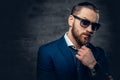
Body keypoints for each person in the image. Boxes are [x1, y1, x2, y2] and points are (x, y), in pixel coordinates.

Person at [37, 2, 113, 80]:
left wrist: (93, 65)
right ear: (71, 20)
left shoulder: (99, 53)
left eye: (94, 26)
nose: (90, 30)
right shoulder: (47, 51)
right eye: (85, 22)